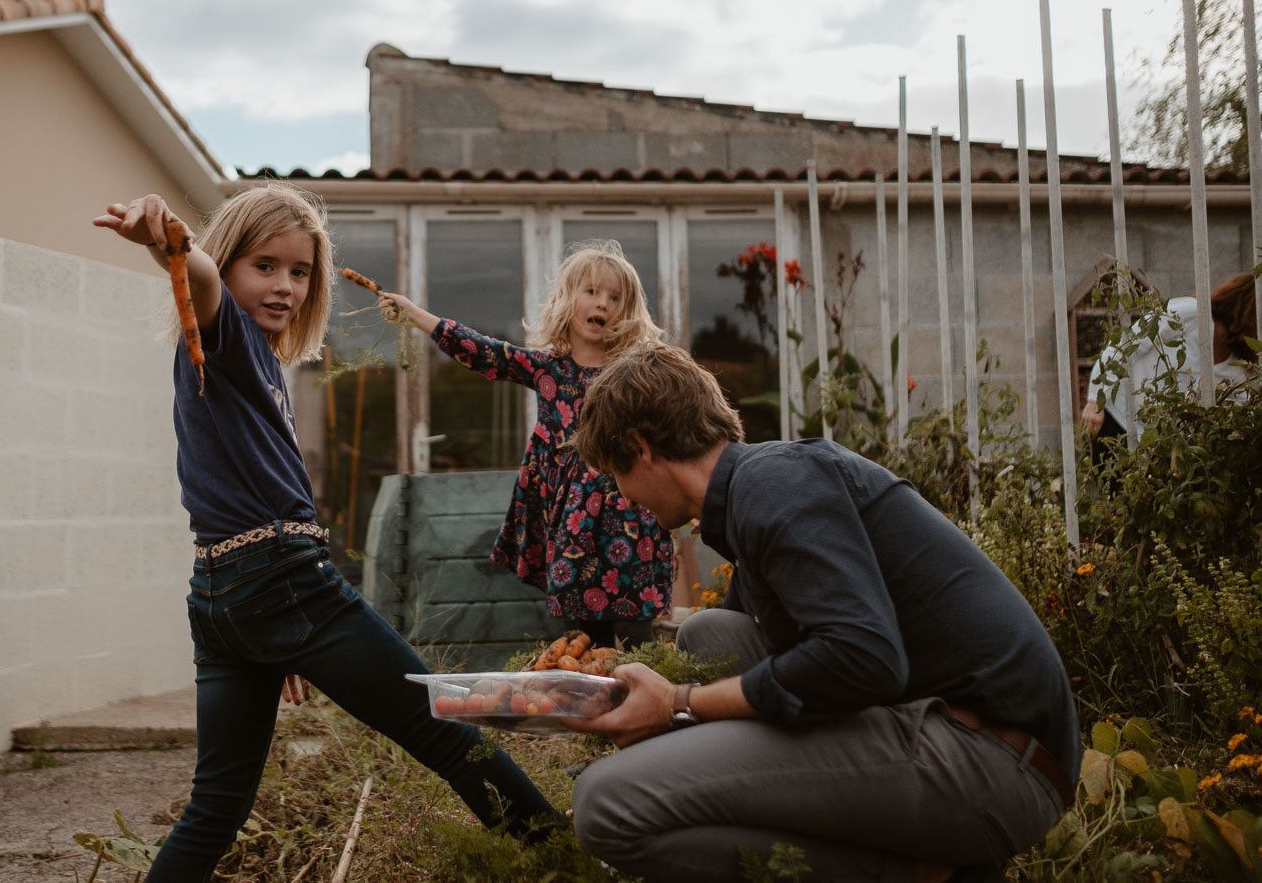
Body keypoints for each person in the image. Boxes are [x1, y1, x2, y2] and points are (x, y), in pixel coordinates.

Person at [92, 186, 560, 882]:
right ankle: (567, 857)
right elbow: (204, 278)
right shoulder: (227, 335)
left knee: (217, 805)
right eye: (265, 266)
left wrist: (271, 638)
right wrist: (173, 242)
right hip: (279, 581)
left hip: (225, 599)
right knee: (447, 728)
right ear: (230, 264)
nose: (283, 285)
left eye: (300, 271)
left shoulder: (257, 363)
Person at [562, 342, 1079, 883]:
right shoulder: (756, 490)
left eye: (613, 474)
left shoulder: (774, 486)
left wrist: (678, 705)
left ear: (640, 447)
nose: (620, 494)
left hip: (990, 763)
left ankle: (920, 873)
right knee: (709, 634)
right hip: (931, 722)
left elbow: (863, 657)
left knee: (606, 804)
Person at [378, 240, 672, 648]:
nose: (602, 304)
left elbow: (668, 436)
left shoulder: (636, 373)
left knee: (636, 629)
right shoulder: (547, 368)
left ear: (628, 310)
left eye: (615, 297)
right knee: (586, 635)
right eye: (591, 292)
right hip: (574, 525)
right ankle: (598, 703)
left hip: (629, 515)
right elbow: (481, 351)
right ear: (569, 299)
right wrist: (414, 315)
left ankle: (650, 703)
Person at [1081, 271, 1258, 446]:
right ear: (1249, 313)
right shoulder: (1192, 314)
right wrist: (1096, 399)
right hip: (1117, 417)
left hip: (1157, 444)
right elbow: (1125, 346)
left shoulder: (1238, 370)